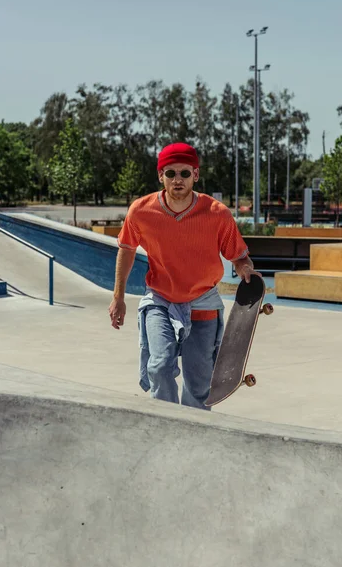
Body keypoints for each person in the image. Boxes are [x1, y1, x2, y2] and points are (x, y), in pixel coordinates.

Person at [109, 142, 259, 410]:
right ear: (160, 176)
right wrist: (118, 297)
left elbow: (237, 255)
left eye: (184, 174)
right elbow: (127, 249)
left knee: (199, 384)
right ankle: (167, 422)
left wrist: (244, 267)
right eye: (170, 174)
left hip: (202, 302)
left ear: (196, 175)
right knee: (160, 365)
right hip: (160, 300)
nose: (177, 180)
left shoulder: (217, 214)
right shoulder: (141, 211)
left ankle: (193, 429)